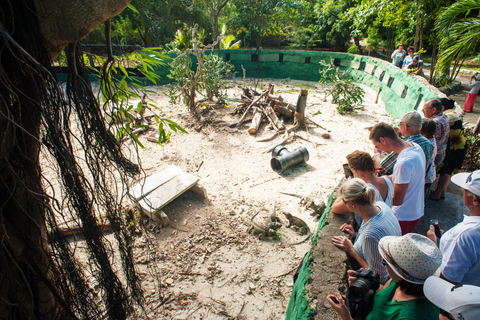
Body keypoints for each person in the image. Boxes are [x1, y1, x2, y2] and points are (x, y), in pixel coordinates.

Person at [327, 233, 442, 320]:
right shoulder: (401, 281)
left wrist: (346, 316)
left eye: (385, 262)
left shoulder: (408, 316)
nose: (384, 264)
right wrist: (365, 283)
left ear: (399, 271)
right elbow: (382, 290)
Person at [331, 178, 401, 284]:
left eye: (344, 201)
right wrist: (357, 235)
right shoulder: (381, 206)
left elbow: (379, 276)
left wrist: (352, 250)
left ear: (352, 203)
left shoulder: (369, 235)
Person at [370, 122, 425, 234]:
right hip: (416, 208)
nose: (379, 149)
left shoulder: (403, 163)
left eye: (377, 146)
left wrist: (374, 201)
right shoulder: (415, 147)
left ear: (383, 140)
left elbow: (397, 200)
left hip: (403, 216)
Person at [427, 170, 480, 286]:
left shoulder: (463, 237)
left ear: (475, 200)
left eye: (465, 190)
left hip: (459, 298)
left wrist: (434, 246)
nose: (461, 190)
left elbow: (446, 281)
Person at [332, 151, 394, 227]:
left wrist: (347, 186)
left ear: (355, 170)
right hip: (385, 223)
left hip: (368, 229)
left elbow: (335, 208)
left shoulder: (361, 192)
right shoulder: (388, 179)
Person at [430, 98, 467, 200]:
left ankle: (437, 194)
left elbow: (439, 123)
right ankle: (442, 193)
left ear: (442, 107)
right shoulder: (451, 113)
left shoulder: (448, 115)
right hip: (457, 146)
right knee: (447, 170)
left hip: (455, 147)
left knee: (446, 171)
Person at [422, 99, 450, 167]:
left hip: (434, 154)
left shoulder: (434, 123)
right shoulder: (443, 116)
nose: (422, 111)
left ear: (434, 110)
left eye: (424, 109)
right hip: (441, 151)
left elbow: (427, 139)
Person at [421, 118, 437, 199]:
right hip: (430, 174)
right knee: (424, 196)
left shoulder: (426, 144)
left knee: (421, 197)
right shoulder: (432, 138)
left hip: (426, 176)